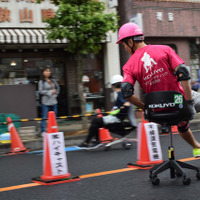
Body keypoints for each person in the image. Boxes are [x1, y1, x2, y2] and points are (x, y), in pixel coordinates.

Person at [117, 22, 200, 157]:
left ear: (131, 42)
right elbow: (183, 73)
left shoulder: (128, 65)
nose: (125, 48)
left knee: (181, 120)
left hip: (156, 109)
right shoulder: (164, 49)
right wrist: (190, 103)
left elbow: (126, 92)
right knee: (182, 113)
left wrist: (145, 108)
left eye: (124, 45)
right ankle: (194, 143)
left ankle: (196, 146)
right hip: (179, 102)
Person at [79, 75, 137, 148]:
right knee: (96, 122)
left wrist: (117, 110)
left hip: (116, 118)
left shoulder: (121, 93)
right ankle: (93, 141)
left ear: (114, 85)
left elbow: (127, 105)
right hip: (116, 118)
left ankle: (90, 142)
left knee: (95, 121)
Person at [38, 66, 60, 135]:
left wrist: (56, 93)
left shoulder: (53, 80)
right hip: (46, 101)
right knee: (44, 116)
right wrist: (50, 92)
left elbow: (58, 87)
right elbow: (40, 91)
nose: (48, 72)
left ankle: (54, 129)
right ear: (43, 72)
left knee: (54, 116)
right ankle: (43, 130)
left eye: (49, 71)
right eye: (46, 71)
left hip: (54, 101)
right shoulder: (41, 81)